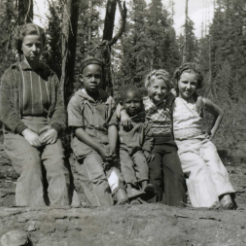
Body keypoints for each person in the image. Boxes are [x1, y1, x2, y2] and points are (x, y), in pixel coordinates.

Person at [0, 23, 70, 207]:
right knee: (31, 162)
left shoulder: (50, 76)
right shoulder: (12, 75)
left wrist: (55, 128)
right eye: (29, 44)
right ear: (20, 46)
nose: (34, 49)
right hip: (18, 132)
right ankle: (33, 216)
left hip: (47, 128)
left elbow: (59, 108)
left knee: (56, 165)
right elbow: (5, 109)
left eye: (38, 44)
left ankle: (62, 216)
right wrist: (25, 132)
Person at [172, 62, 236, 209]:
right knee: (197, 166)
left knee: (214, 162)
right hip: (183, 144)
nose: (188, 87)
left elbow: (219, 113)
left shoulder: (200, 101)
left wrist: (211, 132)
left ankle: (224, 195)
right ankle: (207, 203)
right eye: (184, 82)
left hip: (202, 141)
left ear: (198, 84)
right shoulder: (172, 99)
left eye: (193, 83)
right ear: (177, 81)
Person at [120, 70, 187, 206]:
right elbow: (121, 104)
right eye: (155, 87)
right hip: (152, 142)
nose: (159, 91)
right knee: (154, 172)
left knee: (176, 172)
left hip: (168, 142)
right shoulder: (142, 103)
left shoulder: (169, 101)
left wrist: (169, 87)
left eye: (163, 88)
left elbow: (176, 89)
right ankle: (153, 204)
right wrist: (122, 113)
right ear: (148, 88)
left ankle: (178, 204)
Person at [67, 56, 128, 206]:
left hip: (106, 143)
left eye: (97, 76)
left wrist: (112, 148)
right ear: (81, 78)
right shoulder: (77, 100)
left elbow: (112, 124)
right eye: (89, 76)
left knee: (114, 173)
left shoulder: (107, 99)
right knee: (96, 175)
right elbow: (78, 131)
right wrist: (100, 148)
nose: (93, 80)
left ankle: (123, 202)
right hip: (87, 145)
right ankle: (105, 208)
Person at [117, 85, 155, 200]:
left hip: (137, 149)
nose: (133, 105)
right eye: (128, 102)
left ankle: (144, 186)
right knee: (126, 165)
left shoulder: (143, 120)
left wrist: (147, 149)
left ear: (141, 102)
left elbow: (149, 136)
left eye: (136, 102)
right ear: (122, 103)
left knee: (141, 161)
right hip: (122, 150)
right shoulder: (119, 118)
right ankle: (130, 188)